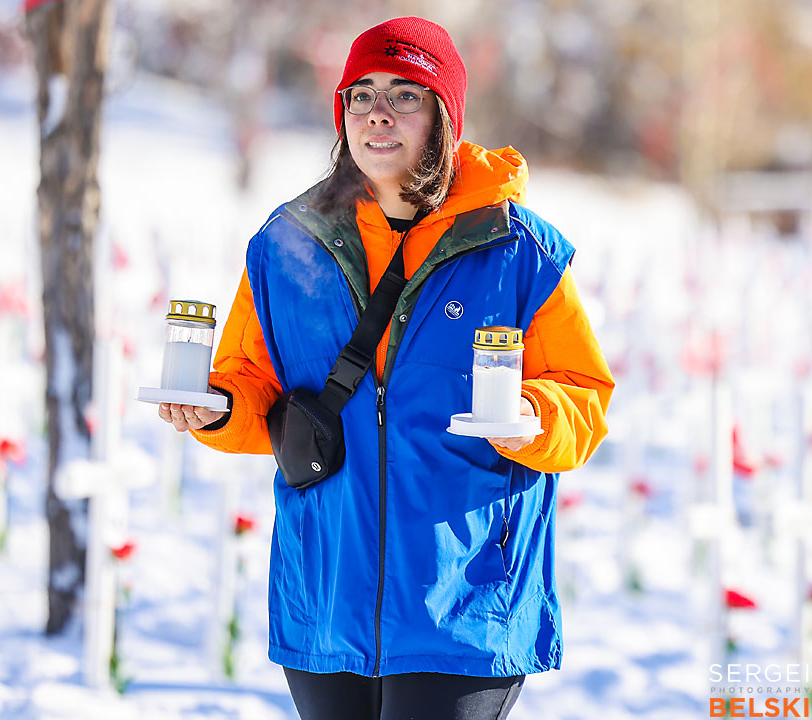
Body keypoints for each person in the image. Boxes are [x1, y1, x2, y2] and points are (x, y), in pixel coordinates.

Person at [158, 16, 613, 720]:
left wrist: (534, 417)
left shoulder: (519, 252)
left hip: (464, 603)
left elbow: (583, 396)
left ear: (445, 118)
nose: (378, 113)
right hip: (325, 595)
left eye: (405, 95)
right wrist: (214, 410)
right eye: (361, 94)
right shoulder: (287, 244)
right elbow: (256, 391)